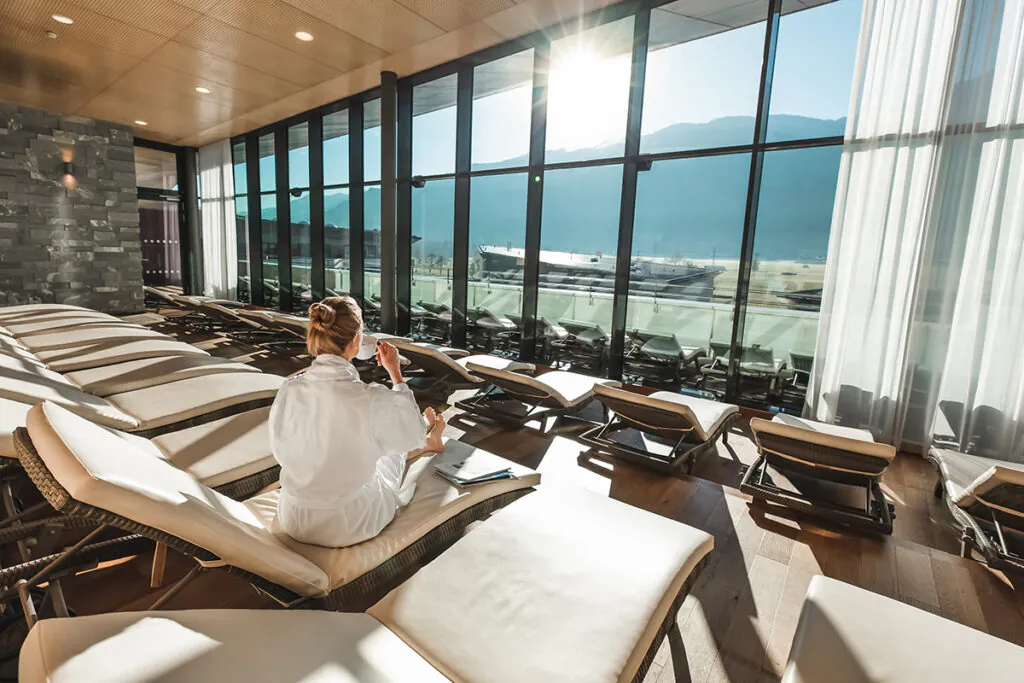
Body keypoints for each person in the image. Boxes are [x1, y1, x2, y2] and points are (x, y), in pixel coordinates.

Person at [269, 295, 446, 548]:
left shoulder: (289, 389)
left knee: (368, 442)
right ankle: (428, 444)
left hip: (293, 516)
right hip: (345, 522)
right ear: (355, 341)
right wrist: (396, 374)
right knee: (388, 453)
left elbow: (281, 449)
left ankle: (425, 443)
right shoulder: (369, 398)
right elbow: (409, 434)